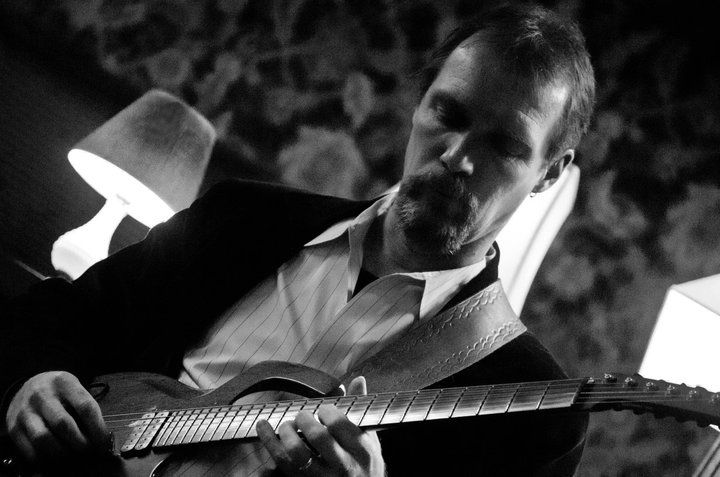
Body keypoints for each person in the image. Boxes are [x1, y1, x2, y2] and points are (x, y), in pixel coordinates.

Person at [0, 3, 595, 476]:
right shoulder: (242, 217)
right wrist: (31, 381)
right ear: (419, 104)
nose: (458, 158)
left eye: (504, 146)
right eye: (450, 114)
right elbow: (57, 316)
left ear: (549, 173)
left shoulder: (535, 415)